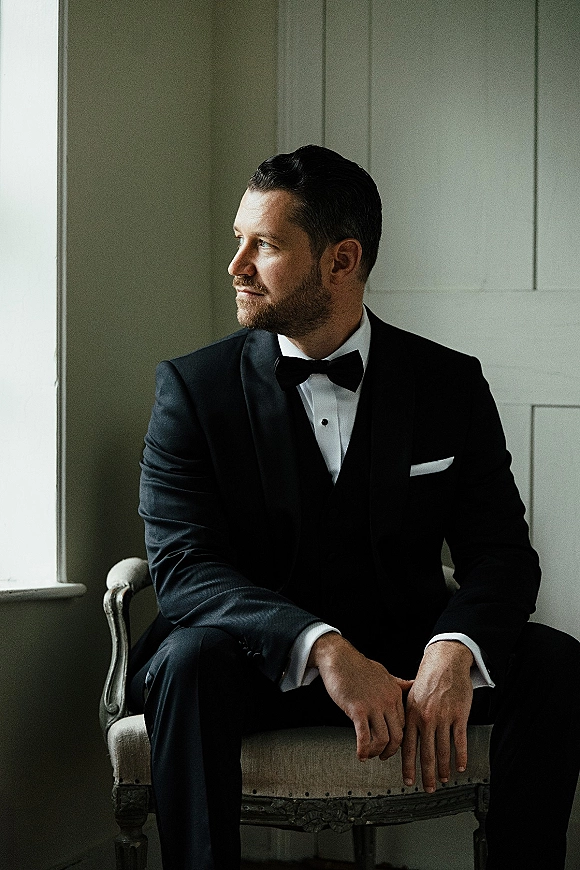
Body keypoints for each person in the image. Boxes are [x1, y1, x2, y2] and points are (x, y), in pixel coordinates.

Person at [128, 145, 580, 870]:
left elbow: (501, 553)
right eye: (239, 240)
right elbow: (184, 568)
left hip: (406, 659)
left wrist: (453, 648)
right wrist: (323, 647)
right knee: (188, 659)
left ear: (342, 260)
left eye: (265, 245)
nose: (237, 265)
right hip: (255, 666)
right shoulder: (192, 389)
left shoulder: (449, 383)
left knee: (555, 663)